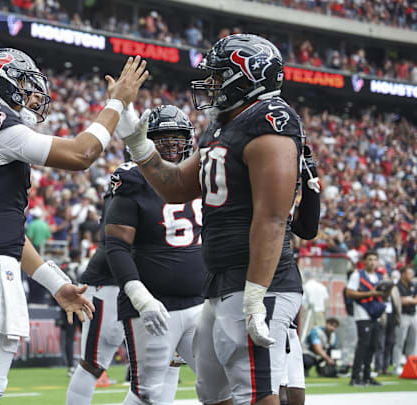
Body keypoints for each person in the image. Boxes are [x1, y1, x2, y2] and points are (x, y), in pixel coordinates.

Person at [0, 48, 147, 404]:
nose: (33, 94)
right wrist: (118, 104)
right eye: (23, 83)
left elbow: (9, 236)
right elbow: (82, 154)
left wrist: (57, 284)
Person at [117, 34, 304, 405]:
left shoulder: (269, 122)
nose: (211, 84)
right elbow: (174, 186)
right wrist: (137, 142)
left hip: (254, 278)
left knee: (255, 391)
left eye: (219, 76)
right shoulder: (224, 126)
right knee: (213, 391)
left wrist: (255, 296)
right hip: (219, 280)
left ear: (246, 78)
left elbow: (271, 218)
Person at [105, 105, 204, 405]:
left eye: (178, 138)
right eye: (164, 139)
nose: (173, 146)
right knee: (148, 392)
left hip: (199, 303)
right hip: (154, 305)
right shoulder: (133, 180)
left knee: (218, 380)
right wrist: (139, 296)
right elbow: (116, 245)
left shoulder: (197, 177)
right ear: (147, 140)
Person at [66, 177, 123, 404]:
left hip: (159, 284)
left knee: (166, 364)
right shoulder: (128, 182)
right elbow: (117, 242)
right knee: (93, 364)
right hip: (110, 283)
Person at [280, 143, 322, 405]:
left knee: (296, 394)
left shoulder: (281, 191)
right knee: (276, 391)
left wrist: (310, 181)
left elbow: (307, 229)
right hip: (257, 284)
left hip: (284, 283)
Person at [345, 251, 388, 386]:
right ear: (364, 261)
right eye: (369, 259)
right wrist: (371, 293)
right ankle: (355, 377)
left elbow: (384, 297)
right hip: (362, 313)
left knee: (373, 346)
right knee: (363, 345)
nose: (372, 262)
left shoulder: (380, 277)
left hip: (376, 313)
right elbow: (349, 293)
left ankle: (367, 377)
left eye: (375, 259)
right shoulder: (357, 275)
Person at [394, 267, 417, 375]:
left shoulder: (413, 285)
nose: (411, 275)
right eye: (409, 273)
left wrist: (408, 300)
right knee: (399, 342)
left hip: (413, 315)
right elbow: (399, 301)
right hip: (402, 315)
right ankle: (396, 366)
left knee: (412, 343)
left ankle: (411, 365)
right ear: (403, 274)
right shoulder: (397, 286)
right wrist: (411, 300)